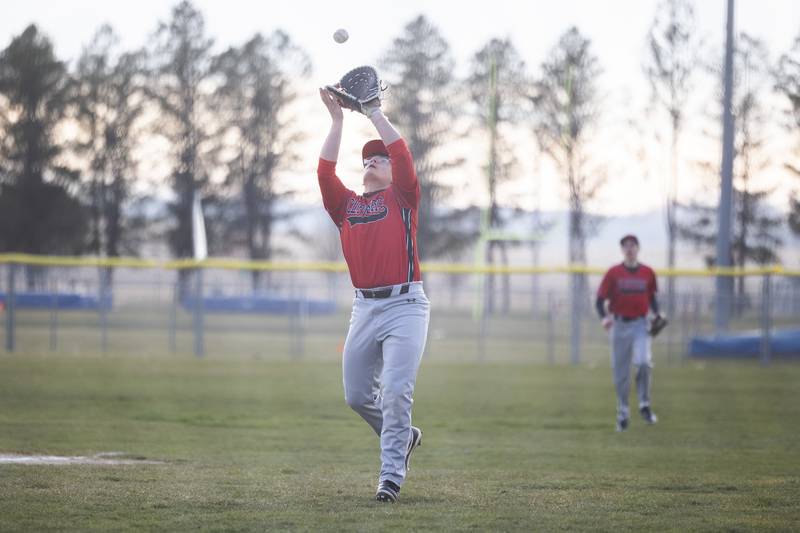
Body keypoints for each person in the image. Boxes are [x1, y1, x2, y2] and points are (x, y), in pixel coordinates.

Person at [317, 87, 430, 502]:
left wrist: (374, 113)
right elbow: (325, 174)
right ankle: (405, 437)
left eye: (376, 159)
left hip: (405, 306)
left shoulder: (403, 197)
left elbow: (402, 155)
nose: (370, 163)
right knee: (356, 395)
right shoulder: (346, 206)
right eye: (365, 160)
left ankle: (390, 479)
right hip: (364, 308)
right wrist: (337, 122)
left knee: (398, 391)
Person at [596, 234, 662, 432]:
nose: (629, 249)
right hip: (620, 325)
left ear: (638, 248)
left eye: (632, 245)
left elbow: (651, 297)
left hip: (641, 324)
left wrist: (657, 314)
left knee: (643, 362)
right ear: (622, 250)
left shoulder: (648, 272)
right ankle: (623, 411)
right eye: (626, 246)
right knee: (621, 372)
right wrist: (604, 318)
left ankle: (644, 404)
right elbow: (599, 300)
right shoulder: (613, 273)